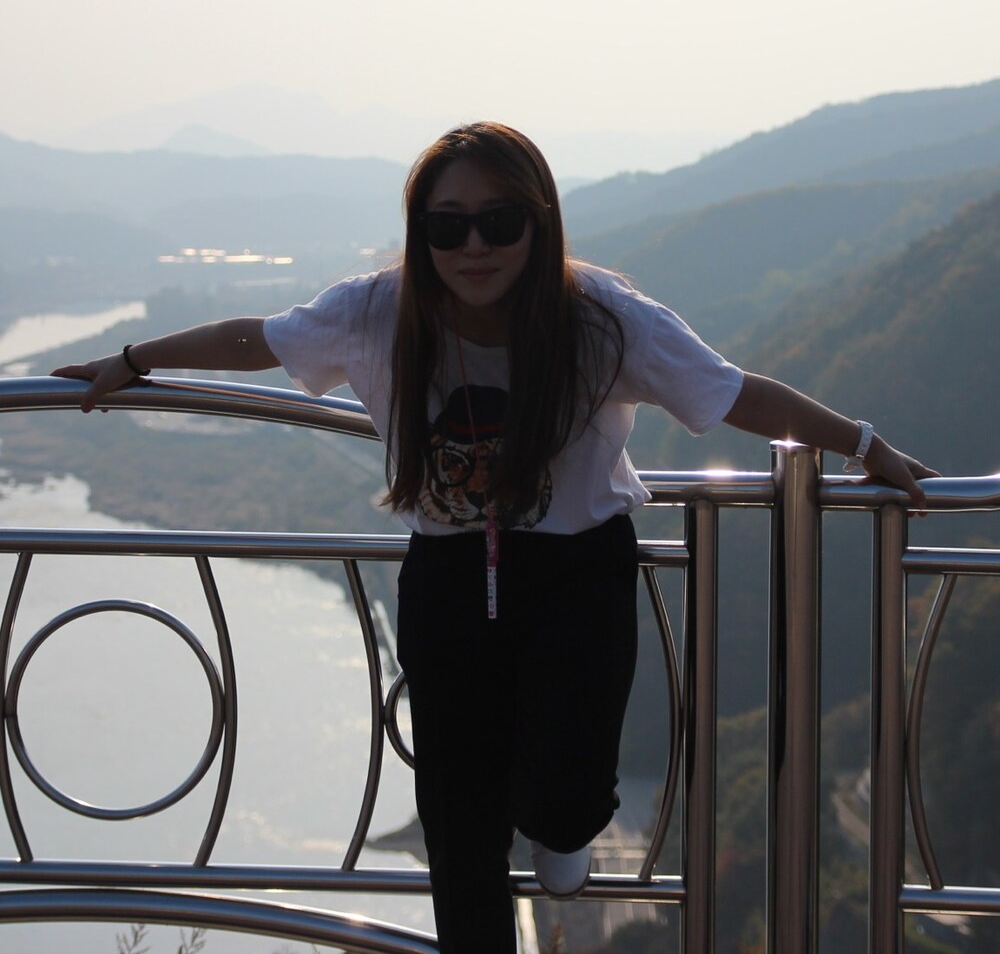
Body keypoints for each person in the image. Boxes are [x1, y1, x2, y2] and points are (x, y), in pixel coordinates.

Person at [53, 121, 935, 954]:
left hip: (577, 574)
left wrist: (862, 444)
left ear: (538, 222)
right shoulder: (377, 310)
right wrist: (133, 361)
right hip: (445, 573)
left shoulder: (602, 319)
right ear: (421, 233)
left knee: (563, 793)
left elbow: (734, 392)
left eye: (499, 221)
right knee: (457, 822)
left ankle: (559, 830)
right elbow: (257, 340)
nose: (473, 246)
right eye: (448, 226)